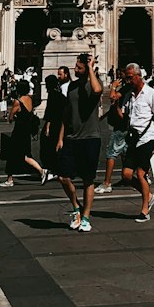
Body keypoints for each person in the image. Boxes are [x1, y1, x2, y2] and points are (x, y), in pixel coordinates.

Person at [55, 53, 103, 232]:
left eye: (79, 67)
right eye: (76, 66)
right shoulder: (72, 87)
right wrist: (60, 137)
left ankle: (86, 217)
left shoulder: (94, 85)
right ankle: (76, 207)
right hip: (72, 138)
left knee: (88, 179)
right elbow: (66, 115)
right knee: (63, 177)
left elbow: (98, 92)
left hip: (91, 138)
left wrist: (91, 68)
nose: (74, 69)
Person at [120, 63, 154, 222]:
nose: (128, 81)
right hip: (133, 138)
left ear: (139, 76)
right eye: (127, 78)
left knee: (140, 174)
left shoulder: (151, 93)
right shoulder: (128, 95)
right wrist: (113, 100)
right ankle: (149, 196)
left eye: (130, 78)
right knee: (126, 175)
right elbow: (122, 117)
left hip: (148, 137)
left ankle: (145, 210)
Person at [0, 79, 46, 188]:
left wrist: (11, 117)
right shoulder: (30, 99)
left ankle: (9, 179)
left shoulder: (18, 101)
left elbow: (10, 117)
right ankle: (41, 171)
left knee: (12, 154)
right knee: (24, 155)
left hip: (19, 131)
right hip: (26, 130)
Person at [98, 74, 132, 194]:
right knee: (126, 152)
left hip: (121, 126)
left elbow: (113, 97)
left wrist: (113, 87)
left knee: (111, 153)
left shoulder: (126, 88)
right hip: (130, 126)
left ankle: (107, 183)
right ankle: (129, 179)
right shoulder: (135, 89)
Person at [40, 74, 65, 180]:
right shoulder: (60, 95)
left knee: (48, 146)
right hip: (60, 122)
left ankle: (52, 168)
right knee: (54, 146)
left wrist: (47, 127)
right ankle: (56, 169)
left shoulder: (52, 95)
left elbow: (50, 111)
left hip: (54, 123)